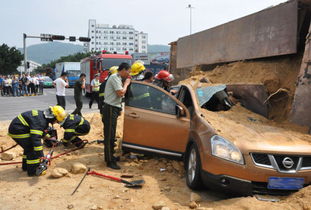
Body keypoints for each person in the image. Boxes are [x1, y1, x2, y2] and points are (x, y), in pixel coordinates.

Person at [8, 105, 67, 176]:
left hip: (18, 129)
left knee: (28, 148)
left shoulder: (42, 116)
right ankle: (32, 171)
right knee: (32, 149)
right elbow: (36, 139)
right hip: (18, 131)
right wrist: (41, 156)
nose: (55, 123)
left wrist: (49, 138)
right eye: (56, 121)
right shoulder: (41, 121)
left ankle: (26, 167)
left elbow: (39, 130)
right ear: (53, 117)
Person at [103, 62, 131, 169]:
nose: (128, 74)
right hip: (110, 108)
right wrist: (126, 84)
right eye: (128, 71)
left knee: (111, 134)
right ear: (123, 69)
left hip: (113, 108)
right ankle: (110, 161)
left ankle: (110, 157)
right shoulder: (115, 77)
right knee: (109, 135)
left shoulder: (118, 78)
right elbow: (120, 93)